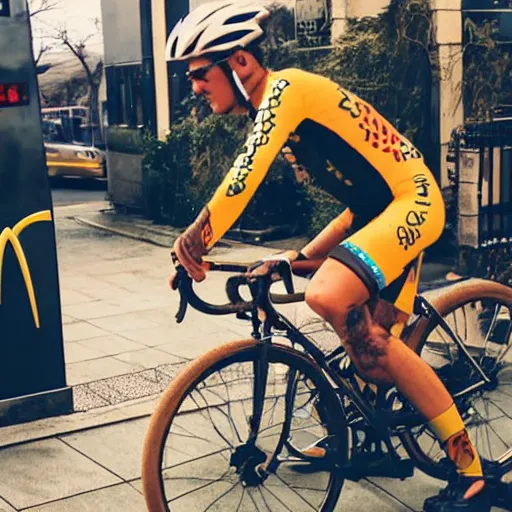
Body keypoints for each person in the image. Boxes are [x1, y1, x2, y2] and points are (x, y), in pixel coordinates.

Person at [165, 2, 489, 510]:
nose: (195, 87)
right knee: (363, 345)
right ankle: (370, 441)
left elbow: (243, 176)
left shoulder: (286, 90)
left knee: (336, 303)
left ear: (241, 63)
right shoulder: (282, 114)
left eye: (200, 74)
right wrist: (296, 256)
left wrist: (195, 241)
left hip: (414, 202)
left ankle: (470, 471)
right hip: (378, 212)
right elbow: (355, 206)